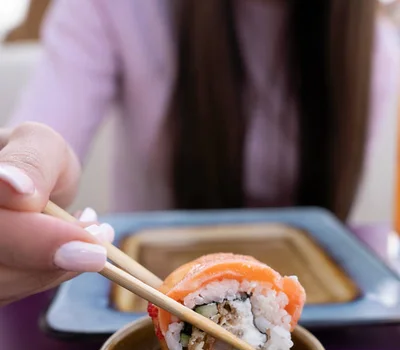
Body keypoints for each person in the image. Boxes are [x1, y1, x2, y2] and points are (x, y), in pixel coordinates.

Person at [0, 0, 399, 307]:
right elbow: (48, 130)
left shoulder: (375, 47)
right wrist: (27, 181)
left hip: (328, 333)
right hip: (134, 307)